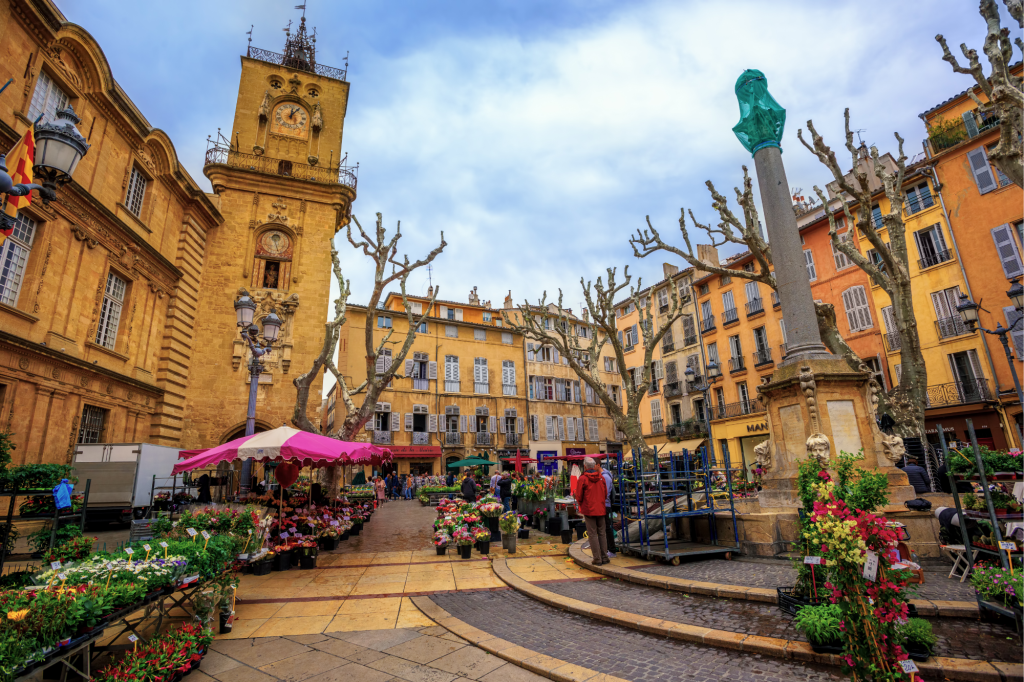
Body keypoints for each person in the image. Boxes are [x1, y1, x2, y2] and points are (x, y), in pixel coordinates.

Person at [576, 458, 609, 566]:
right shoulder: (601, 478)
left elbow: (579, 496)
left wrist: (581, 504)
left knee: (592, 534)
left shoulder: (583, 479)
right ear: (595, 466)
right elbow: (605, 494)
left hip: (589, 509)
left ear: (585, 466)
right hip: (600, 508)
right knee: (602, 533)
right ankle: (605, 556)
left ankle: (597, 558)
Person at [601, 464, 616, 557]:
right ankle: (608, 549)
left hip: (605, 505)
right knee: (605, 527)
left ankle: (612, 550)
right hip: (605, 504)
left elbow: (605, 493)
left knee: (607, 527)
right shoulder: (605, 476)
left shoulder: (605, 477)